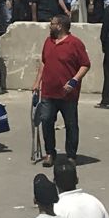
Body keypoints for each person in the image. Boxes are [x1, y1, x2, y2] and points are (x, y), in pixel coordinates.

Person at [33, 15, 90, 166]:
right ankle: (50, 153)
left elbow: (85, 65)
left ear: (60, 26)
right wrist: (37, 82)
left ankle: (71, 155)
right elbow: (44, 62)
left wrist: (74, 80)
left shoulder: (75, 43)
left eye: (52, 24)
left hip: (68, 94)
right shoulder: (48, 41)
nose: (49, 26)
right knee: (46, 121)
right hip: (48, 92)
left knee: (71, 124)